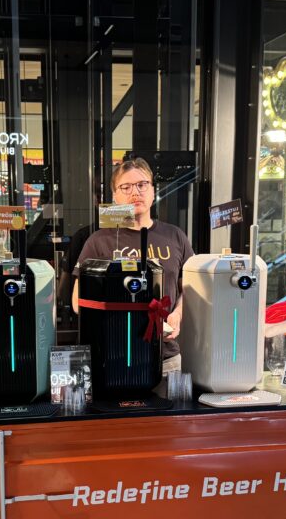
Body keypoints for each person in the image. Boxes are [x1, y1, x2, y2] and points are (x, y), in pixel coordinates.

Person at [72, 157, 194, 382]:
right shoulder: (99, 241)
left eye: (142, 184)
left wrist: (177, 314)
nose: (135, 192)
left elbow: (189, 289)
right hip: (112, 356)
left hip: (166, 358)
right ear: (115, 196)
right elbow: (77, 301)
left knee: (169, 407)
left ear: (153, 191)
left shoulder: (175, 236)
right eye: (125, 187)